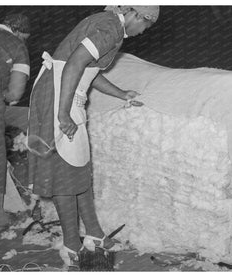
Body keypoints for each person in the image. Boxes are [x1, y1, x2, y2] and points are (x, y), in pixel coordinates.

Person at [27, 5, 159, 269]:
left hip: (69, 94)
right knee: (65, 172)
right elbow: (74, 64)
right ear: (136, 14)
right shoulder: (110, 26)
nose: (143, 32)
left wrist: (121, 94)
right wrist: (63, 113)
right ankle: (71, 245)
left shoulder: (110, 25)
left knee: (79, 167)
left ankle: (94, 232)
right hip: (58, 97)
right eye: (146, 25)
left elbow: (88, 70)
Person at [0, 13, 31, 232]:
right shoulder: (15, 45)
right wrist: (1, 96)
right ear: (17, 31)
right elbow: (15, 92)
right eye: (24, 37)